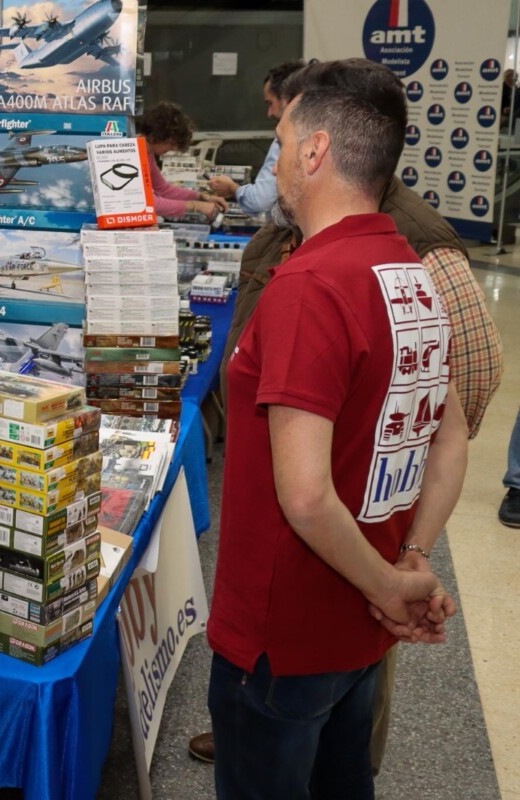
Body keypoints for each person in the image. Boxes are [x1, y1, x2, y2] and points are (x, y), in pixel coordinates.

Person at [207, 58, 468, 799]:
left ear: (316, 152)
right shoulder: (410, 272)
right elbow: (451, 438)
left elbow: (307, 496)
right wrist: (409, 561)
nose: (280, 160)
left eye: (285, 141)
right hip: (360, 629)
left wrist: (391, 584)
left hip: (281, 635)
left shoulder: (309, 287)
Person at [206, 60, 305, 216]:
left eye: (270, 103)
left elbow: (260, 200)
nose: (269, 113)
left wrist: (233, 188)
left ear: (287, 99)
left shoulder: (287, 137)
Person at [136, 101, 228, 221]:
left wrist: (202, 197)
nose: (172, 148)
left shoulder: (147, 153)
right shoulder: (130, 153)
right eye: (171, 143)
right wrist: (195, 206)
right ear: (160, 136)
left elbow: (164, 189)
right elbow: (149, 204)